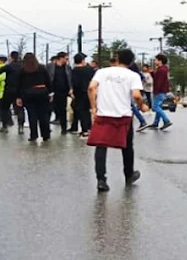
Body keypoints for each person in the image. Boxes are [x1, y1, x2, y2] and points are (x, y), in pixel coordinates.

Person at [87, 49, 143, 192]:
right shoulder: (133, 75)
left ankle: (101, 179)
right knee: (127, 145)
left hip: (103, 113)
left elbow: (92, 87)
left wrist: (94, 107)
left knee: (101, 146)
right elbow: (136, 95)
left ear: (117, 59)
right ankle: (129, 174)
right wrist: (142, 105)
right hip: (123, 115)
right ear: (131, 62)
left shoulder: (102, 72)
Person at [17, 53, 53, 142]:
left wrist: (18, 97)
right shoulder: (42, 68)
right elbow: (48, 81)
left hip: (28, 93)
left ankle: (33, 135)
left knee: (31, 115)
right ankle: (46, 135)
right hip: (42, 92)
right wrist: (50, 93)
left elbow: (19, 84)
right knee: (43, 115)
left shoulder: (22, 70)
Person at [0, 52, 23, 134]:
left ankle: (4, 126)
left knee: (4, 108)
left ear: (11, 57)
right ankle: (20, 127)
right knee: (20, 109)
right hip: (20, 91)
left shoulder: (10, 66)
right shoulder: (23, 66)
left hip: (9, 90)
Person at [47, 52, 73, 134]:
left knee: (63, 110)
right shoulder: (50, 66)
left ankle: (64, 128)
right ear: (60, 58)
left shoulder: (67, 68)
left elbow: (70, 78)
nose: (67, 60)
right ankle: (46, 128)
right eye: (66, 58)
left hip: (63, 92)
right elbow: (47, 78)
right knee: (49, 110)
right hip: (52, 92)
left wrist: (71, 88)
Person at [71, 53, 94, 138]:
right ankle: (89, 128)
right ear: (82, 61)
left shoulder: (74, 71)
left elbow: (74, 83)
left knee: (81, 111)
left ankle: (84, 130)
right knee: (87, 110)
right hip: (89, 92)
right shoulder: (90, 70)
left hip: (79, 93)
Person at [149, 54, 173, 130]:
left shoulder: (162, 70)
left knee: (155, 107)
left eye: (156, 60)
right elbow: (157, 79)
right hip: (161, 91)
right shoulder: (161, 69)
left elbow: (159, 82)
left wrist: (155, 91)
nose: (154, 61)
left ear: (160, 61)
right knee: (158, 107)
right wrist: (152, 73)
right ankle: (155, 123)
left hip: (160, 91)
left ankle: (166, 120)